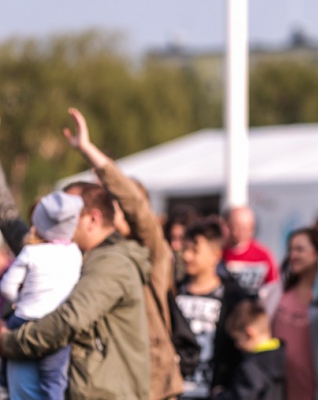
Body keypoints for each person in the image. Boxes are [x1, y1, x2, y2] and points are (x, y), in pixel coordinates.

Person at [63, 107, 185, 399]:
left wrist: (88, 151)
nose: (111, 205)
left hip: (155, 385)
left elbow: (135, 205)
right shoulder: (93, 254)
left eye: (115, 200)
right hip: (113, 384)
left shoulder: (150, 251)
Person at [0, 181, 151, 399]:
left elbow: (68, 320)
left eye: (67, 214)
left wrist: (8, 341)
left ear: (93, 219)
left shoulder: (112, 263)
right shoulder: (78, 256)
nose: (58, 221)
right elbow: (12, 224)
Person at [0, 191, 83, 399]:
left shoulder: (31, 252)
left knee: (7, 352)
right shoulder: (75, 253)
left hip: (24, 319)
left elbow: (7, 286)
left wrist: (20, 300)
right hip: (56, 324)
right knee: (54, 380)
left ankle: (2, 384)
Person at [176, 220, 246, 399]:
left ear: (216, 255)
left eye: (195, 250)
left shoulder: (233, 297)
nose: (187, 257)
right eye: (185, 249)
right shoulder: (174, 292)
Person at [262, 228, 318, 400]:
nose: (293, 255)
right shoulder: (274, 293)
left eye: (300, 249)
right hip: (277, 391)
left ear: (317, 253)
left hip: (313, 391)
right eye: (291, 249)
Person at [215, 299, 285, 400]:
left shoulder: (251, 368)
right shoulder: (284, 356)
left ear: (250, 333)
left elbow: (241, 396)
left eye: (238, 339)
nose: (237, 345)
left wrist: (219, 395)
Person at [222, 206, 279, 296]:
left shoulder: (263, 255)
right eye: (235, 226)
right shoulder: (219, 253)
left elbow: (273, 286)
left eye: (246, 227)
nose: (240, 232)